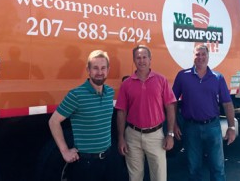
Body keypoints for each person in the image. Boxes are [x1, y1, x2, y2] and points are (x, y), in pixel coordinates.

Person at [172, 45, 236, 181]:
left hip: (212, 127)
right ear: (193, 57)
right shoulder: (183, 76)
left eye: (203, 54)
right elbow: (172, 102)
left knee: (218, 168)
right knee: (194, 168)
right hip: (190, 128)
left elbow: (227, 103)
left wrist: (231, 127)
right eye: (197, 54)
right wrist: (174, 125)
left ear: (208, 56)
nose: (200, 57)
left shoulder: (217, 78)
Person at [48, 50, 115, 181]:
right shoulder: (76, 95)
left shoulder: (110, 92)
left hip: (108, 159)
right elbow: (53, 121)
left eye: (103, 68)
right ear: (88, 70)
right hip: (86, 164)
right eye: (95, 68)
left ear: (108, 70)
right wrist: (64, 151)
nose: (99, 72)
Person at [115, 45, 177, 181]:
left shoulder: (161, 80)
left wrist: (170, 134)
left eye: (144, 57)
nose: (141, 61)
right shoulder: (127, 84)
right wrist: (121, 138)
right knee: (135, 177)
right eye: (138, 58)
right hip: (132, 136)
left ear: (150, 60)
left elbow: (170, 107)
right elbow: (121, 112)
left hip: (156, 137)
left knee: (159, 177)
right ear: (134, 60)